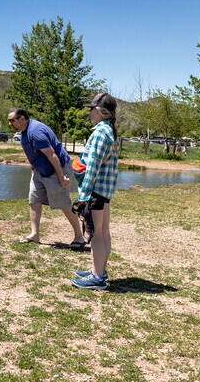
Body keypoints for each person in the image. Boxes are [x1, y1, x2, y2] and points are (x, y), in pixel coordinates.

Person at [7, 107, 85, 247]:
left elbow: (52, 155)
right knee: (34, 200)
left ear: (22, 118)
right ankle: (35, 234)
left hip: (56, 169)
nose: (10, 124)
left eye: (12, 120)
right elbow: (34, 152)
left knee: (64, 203)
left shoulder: (35, 132)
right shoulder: (24, 131)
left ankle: (79, 237)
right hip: (40, 171)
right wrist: (33, 167)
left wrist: (61, 177)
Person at [71, 93, 118, 290]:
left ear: (101, 112)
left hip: (96, 192)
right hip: (104, 191)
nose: (89, 112)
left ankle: (97, 277)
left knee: (96, 234)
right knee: (103, 232)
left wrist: (83, 197)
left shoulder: (99, 133)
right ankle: (98, 269)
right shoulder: (108, 131)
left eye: (92, 108)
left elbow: (92, 167)